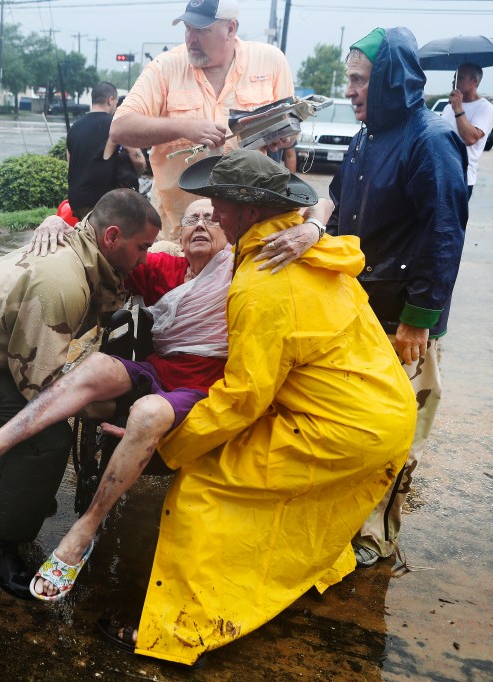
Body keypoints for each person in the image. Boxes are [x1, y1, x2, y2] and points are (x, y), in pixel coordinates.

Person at [73, 149, 412, 665]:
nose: (212, 213)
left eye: (220, 206)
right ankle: (295, 575)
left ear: (249, 213)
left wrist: (173, 446)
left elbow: (243, 398)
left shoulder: (261, 284)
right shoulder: (311, 252)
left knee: (204, 490)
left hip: (340, 425)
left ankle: (176, 633)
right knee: (286, 494)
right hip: (382, 409)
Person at [0, 189, 162, 600]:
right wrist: (104, 404)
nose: (146, 258)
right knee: (46, 438)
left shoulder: (83, 251)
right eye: (142, 247)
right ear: (112, 237)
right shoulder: (62, 279)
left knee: (36, 430)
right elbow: (40, 389)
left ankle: (6, 496)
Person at [329, 28, 469, 568]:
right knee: (361, 423)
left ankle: (376, 535)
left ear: (390, 81)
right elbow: (342, 209)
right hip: (364, 308)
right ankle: (345, 519)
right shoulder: (366, 137)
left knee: (397, 431)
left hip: (406, 321)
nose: (350, 91)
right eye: (349, 80)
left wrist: (418, 320)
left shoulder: (430, 140)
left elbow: (444, 235)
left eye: (359, 80)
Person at [109, 0, 300, 241]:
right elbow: (120, 127)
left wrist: (281, 136)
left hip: (248, 225)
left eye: (202, 30)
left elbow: (291, 128)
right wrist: (185, 128)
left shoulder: (270, 61)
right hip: (181, 227)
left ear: (231, 28)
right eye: (188, 28)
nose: (191, 38)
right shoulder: (165, 67)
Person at [66, 82, 146, 219]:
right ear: (110, 100)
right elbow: (137, 159)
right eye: (115, 102)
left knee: (89, 239)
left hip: (77, 200)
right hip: (105, 201)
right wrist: (137, 173)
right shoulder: (116, 125)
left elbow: (70, 162)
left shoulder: (75, 127)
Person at [439, 62, 493, 198]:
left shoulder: (485, 108)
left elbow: (470, 138)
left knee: (452, 219)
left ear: (474, 82)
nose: (454, 81)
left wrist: (458, 109)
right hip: (440, 172)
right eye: (455, 77)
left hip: (461, 177)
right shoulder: (448, 107)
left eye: (460, 77)